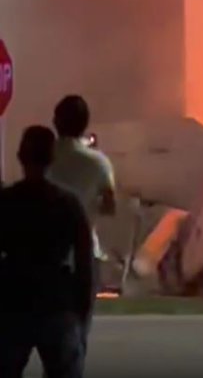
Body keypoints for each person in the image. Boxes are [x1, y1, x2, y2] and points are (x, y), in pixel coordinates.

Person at [0, 126, 94, 378]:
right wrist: (82, 315)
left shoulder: (6, 202)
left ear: (20, 156)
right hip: (57, 303)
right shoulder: (68, 204)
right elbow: (85, 264)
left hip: (13, 303)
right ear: (52, 158)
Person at [46, 95, 115, 355]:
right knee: (77, 338)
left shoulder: (44, 158)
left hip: (46, 257)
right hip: (84, 256)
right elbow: (110, 207)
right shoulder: (99, 163)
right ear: (86, 124)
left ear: (55, 122)